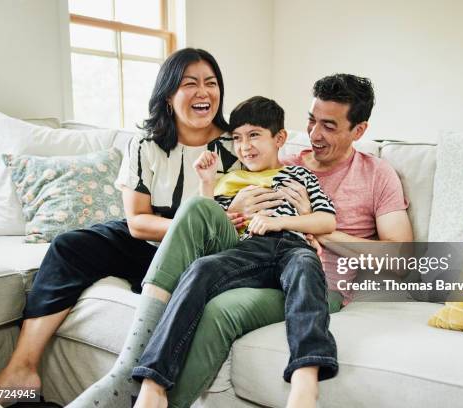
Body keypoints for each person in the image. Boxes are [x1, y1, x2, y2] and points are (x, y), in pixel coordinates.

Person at [0, 48, 242, 405]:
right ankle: (22, 368)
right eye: (191, 84)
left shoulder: (237, 145)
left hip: (203, 253)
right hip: (150, 238)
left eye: (211, 83)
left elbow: (233, 223)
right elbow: (137, 222)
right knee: (69, 245)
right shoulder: (146, 142)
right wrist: (180, 226)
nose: (204, 92)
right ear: (169, 95)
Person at [130, 95, 338, 408]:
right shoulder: (231, 180)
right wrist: (207, 183)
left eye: (254, 135)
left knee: (307, 267)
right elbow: (210, 225)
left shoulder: (299, 176)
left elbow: (327, 219)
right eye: (237, 139)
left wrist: (279, 221)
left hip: (294, 246)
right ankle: (154, 381)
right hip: (248, 252)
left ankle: (305, 380)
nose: (244, 146)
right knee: (200, 270)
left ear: (279, 138)